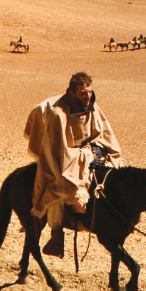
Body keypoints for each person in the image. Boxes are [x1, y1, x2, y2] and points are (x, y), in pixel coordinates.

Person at [24, 72, 124, 257]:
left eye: (89, 92)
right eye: (83, 93)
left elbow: (102, 133)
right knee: (58, 188)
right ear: (72, 92)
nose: (87, 97)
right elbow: (59, 149)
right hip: (60, 157)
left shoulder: (92, 107)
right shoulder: (57, 114)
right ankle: (57, 231)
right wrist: (82, 154)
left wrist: (96, 149)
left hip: (88, 153)